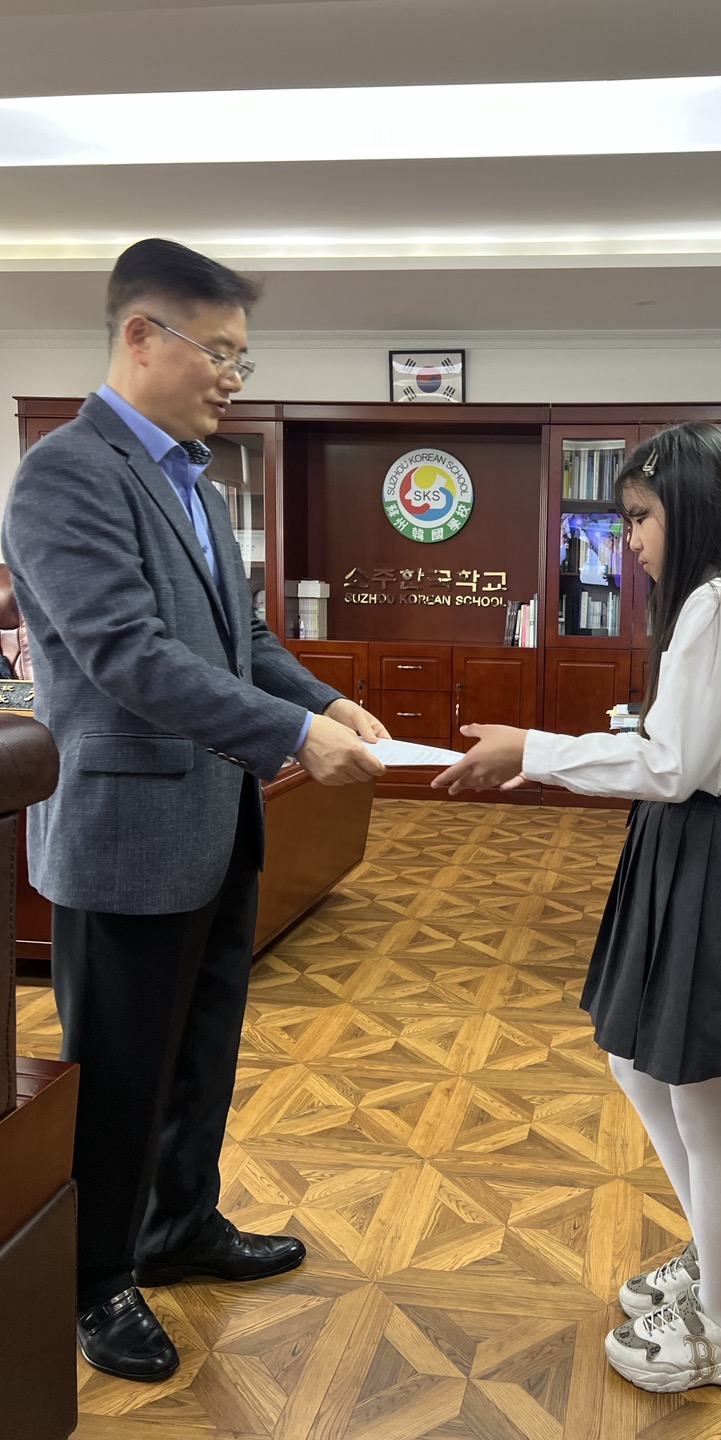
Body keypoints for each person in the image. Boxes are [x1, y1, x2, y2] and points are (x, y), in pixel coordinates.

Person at [2, 238, 389, 1383]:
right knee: (121, 1071)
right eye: (217, 351)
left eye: (241, 356)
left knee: (201, 1051)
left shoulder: (197, 485)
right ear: (140, 336)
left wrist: (327, 701)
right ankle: (96, 1279)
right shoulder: (67, 473)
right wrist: (295, 740)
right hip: (125, 836)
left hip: (216, 822)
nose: (233, 376)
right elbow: (127, 653)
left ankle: (179, 1225)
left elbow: (243, 640)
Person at [432, 422, 721, 1394]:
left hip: (713, 856)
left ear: (692, 510)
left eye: (643, 517)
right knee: (639, 1064)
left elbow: (672, 764)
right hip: (685, 848)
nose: (632, 539)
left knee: (702, 1102)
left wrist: (531, 749)